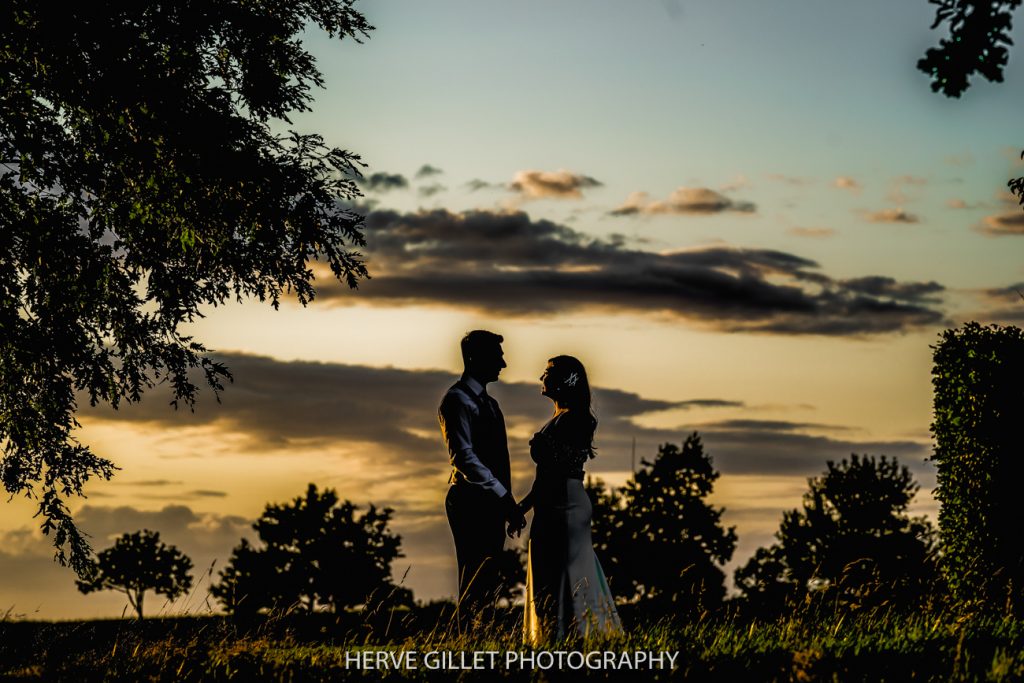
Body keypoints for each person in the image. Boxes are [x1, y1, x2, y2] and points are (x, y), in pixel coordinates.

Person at [509, 355, 622, 643]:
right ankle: (555, 639)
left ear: (564, 380)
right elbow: (545, 475)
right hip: (553, 500)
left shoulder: (576, 419)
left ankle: (569, 638)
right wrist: (523, 507)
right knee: (549, 572)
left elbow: (556, 472)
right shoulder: (559, 419)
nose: (541, 378)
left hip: (565, 503)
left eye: (547, 373)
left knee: (563, 574)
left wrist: (526, 505)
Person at [439, 330, 525, 630]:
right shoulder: (457, 400)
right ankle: (465, 639)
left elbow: (499, 460)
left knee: (488, 575)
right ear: (475, 358)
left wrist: (506, 503)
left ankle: (479, 635)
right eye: (497, 355)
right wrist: (504, 497)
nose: (503, 363)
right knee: (474, 573)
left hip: (490, 501)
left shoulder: (491, 404)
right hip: (468, 499)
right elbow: (463, 458)